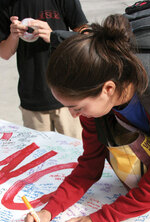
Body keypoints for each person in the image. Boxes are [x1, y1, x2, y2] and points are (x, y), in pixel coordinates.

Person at [24, 14, 150, 222]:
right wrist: (49, 210)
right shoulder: (95, 102)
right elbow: (89, 166)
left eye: (77, 108)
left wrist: (103, 218)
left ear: (108, 89)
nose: (74, 116)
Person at [0, 0, 88, 139]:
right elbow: (4, 53)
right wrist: (13, 35)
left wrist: (54, 36)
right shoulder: (7, 4)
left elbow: (87, 38)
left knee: (78, 154)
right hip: (32, 100)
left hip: (68, 97)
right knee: (39, 157)